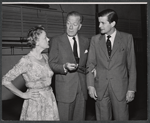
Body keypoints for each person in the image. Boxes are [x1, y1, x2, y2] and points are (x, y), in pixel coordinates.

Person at [86, 9, 136, 120]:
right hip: (100, 88)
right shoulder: (95, 40)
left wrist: (131, 89)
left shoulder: (127, 38)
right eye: (99, 22)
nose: (99, 26)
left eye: (103, 23)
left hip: (120, 89)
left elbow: (132, 66)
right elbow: (90, 64)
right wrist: (90, 86)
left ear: (113, 23)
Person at [2, 25, 59, 121]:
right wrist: (23, 95)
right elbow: (5, 80)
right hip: (35, 102)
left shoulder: (45, 57)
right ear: (37, 42)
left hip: (49, 99)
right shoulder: (26, 61)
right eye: (45, 38)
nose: (48, 39)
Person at [49, 11, 90, 121]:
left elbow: (88, 64)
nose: (70, 27)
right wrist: (64, 67)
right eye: (68, 23)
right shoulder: (56, 40)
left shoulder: (86, 41)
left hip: (81, 89)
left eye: (74, 24)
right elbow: (51, 64)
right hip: (65, 89)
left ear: (80, 26)